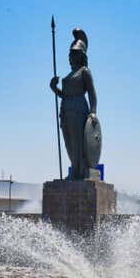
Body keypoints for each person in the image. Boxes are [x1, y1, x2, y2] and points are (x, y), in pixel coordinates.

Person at [49, 28, 98, 180]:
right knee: (68, 142)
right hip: (66, 109)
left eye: (75, 53)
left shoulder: (85, 72)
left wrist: (93, 111)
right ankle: (74, 171)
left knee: (78, 142)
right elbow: (65, 95)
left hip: (79, 109)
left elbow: (91, 93)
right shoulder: (69, 75)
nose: (72, 56)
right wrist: (54, 88)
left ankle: (80, 171)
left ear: (82, 55)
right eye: (71, 53)